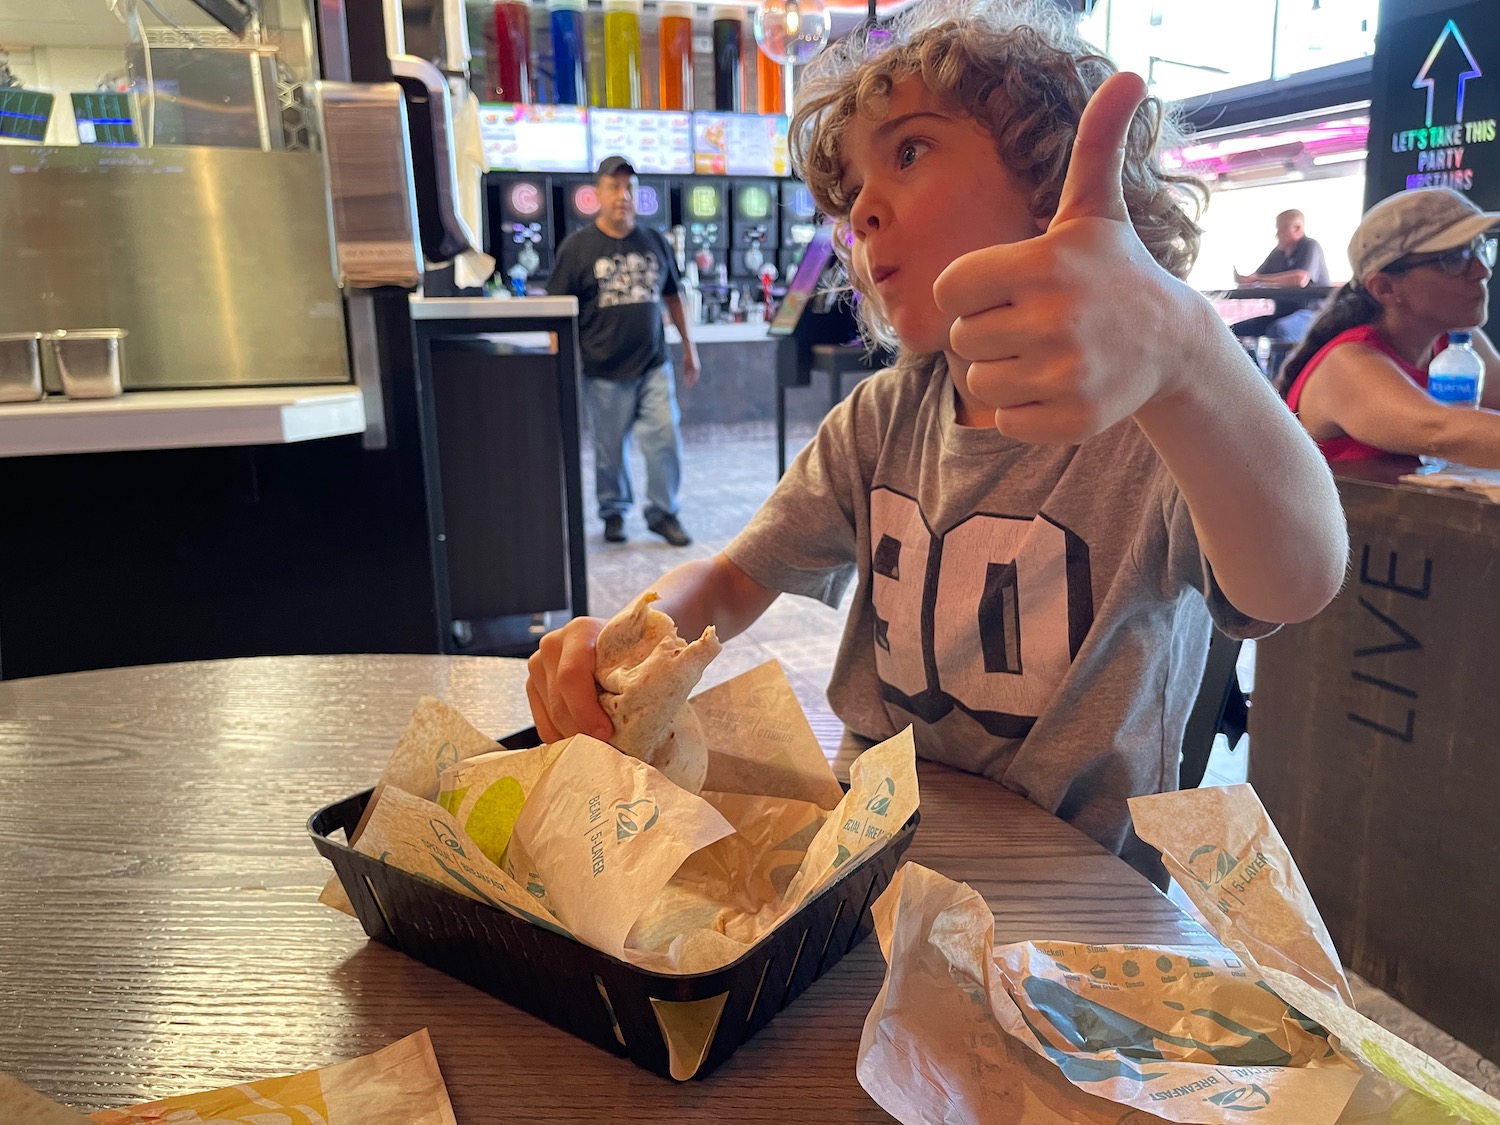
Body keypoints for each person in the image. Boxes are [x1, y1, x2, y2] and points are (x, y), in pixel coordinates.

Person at [527, 0, 1346, 884]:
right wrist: (632, 638)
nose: (861, 211)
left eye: (908, 151)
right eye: (848, 192)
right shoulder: (883, 418)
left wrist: (1187, 351)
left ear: (1056, 175)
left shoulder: (1153, 428)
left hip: (1076, 901)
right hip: (870, 864)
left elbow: (1296, 579)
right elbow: (730, 580)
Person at [1277, 187, 1500, 464]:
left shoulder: (1456, 342)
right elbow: (1443, 432)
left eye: (1480, 250)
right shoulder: (1348, 363)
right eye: (1455, 259)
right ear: (1384, 288)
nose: (1483, 271)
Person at [546, 155, 701, 547]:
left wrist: (688, 347)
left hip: (653, 365)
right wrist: (555, 361)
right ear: (598, 192)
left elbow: (673, 297)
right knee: (609, 451)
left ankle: (663, 512)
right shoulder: (577, 248)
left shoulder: (653, 242)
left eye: (629, 187)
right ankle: (613, 511)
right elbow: (557, 312)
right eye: (614, 186)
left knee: (665, 439)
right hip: (604, 370)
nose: (622, 195)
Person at [1231, 209, 1331, 346]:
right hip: (1283, 312)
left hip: (1312, 313)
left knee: (1280, 330)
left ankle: (1283, 368)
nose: (1277, 234)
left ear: (1297, 228)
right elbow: (1254, 278)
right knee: (1234, 330)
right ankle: (1251, 367)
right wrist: (1245, 280)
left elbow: (1300, 279)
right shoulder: (1277, 253)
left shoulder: (1309, 246)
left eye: (1282, 229)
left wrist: (1260, 279)